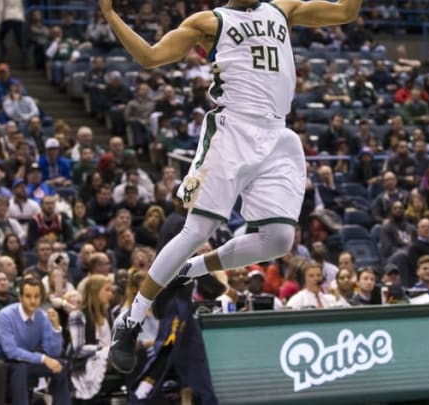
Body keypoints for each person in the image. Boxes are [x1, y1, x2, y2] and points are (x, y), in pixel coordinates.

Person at [100, 0, 363, 373]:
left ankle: (190, 270)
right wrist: (111, 15)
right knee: (198, 228)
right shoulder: (209, 22)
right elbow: (150, 56)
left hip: (277, 133)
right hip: (232, 130)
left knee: (278, 240)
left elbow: (345, 12)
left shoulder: (283, 8)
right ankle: (131, 319)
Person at [0, 278, 70, 404]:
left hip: (25, 360)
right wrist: (43, 359)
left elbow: (53, 353)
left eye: (36, 296)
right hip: (0, 362)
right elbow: (11, 352)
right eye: (28, 296)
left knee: (60, 366)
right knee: (20, 369)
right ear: (20, 297)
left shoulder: (42, 317)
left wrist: (56, 328)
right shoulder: (5, 315)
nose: (33, 301)